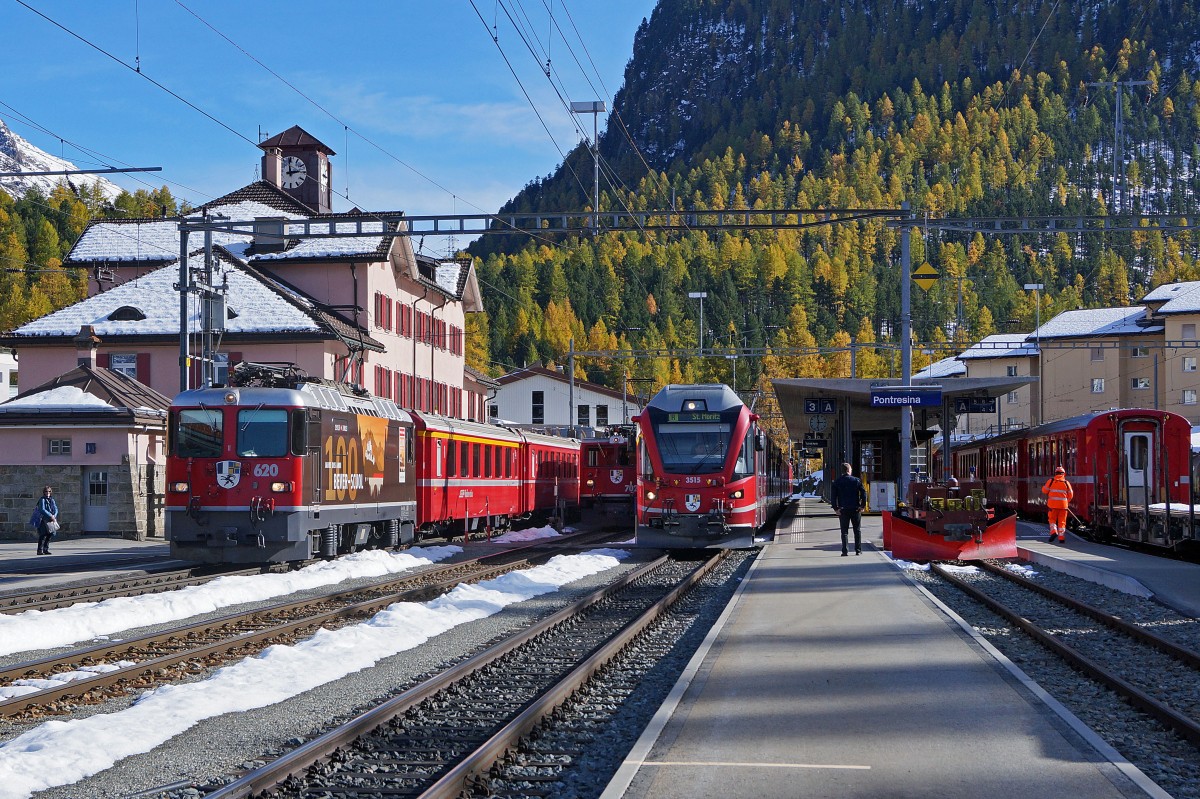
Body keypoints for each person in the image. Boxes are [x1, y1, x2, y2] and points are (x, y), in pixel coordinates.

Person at [831, 462, 867, 556]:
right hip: (856, 509)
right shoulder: (856, 480)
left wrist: (836, 509)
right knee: (857, 530)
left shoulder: (837, 482)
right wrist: (862, 506)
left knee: (844, 531)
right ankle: (858, 550)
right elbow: (864, 493)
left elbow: (833, 497)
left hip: (843, 510)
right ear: (848, 470)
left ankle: (845, 551)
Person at [1041, 466, 1073, 544]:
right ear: (1064, 474)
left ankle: (1054, 532)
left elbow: (1045, 491)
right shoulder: (1066, 483)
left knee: (1052, 520)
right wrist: (1066, 502)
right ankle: (1061, 538)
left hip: (1052, 506)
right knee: (1062, 522)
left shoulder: (1051, 481)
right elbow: (1071, 495)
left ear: (1055, 473)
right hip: (1063, 506)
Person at [32, 485, 59, 555]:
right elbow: (42, 509)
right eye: (46, 491)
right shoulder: (42, 500)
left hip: (51, 519)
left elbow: (56, 508)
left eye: (49, 491)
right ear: (44, 492)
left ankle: (46, 549)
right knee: (43, 535)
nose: (48, 493)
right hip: (44, 519)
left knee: (50, 534)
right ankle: (39, 550)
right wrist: (50, 515)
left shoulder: (52, 499)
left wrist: (54, 516)